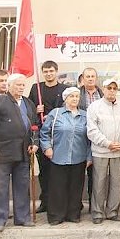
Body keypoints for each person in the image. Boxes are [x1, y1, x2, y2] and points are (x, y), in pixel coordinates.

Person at [39, 87, 91, 225]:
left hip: (78, 157)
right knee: (58, 187)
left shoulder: (85, 115)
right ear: (65, 98)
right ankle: (56, 216)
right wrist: (47, 148)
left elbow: (89, 139)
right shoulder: (55, 114)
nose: (74, 99)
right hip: (58, 156)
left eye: (77, 96)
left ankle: (73, 214)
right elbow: (44, 133)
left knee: (76, 187)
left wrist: (89, 157)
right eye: (71, 96)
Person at [0, 74, 39, 232]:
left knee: (22, 186)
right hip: (3, 152)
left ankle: (22, 218)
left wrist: (35, 144)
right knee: (0, 187)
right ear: (10, 85)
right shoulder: (0, 101)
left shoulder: (29, 103)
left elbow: (35, 126)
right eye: (18, 85)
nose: (21, 87)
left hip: (24, 152)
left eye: (23, 85)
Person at [87, 78, 120, 224]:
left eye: (114, 88)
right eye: (109, 88)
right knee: (99, 183)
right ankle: (98, 213)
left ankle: (112, 211)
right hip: (101, 151)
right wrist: (107, 143)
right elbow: (92, 130)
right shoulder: (94, 107)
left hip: (118, 152)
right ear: (103, 89)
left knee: (116, 183)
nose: (111, 91)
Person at [29, 60, 68, 214]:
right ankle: (45, 201)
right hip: (43, 135)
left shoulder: (64, 89)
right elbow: (29, 108)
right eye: (45, 71)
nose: (48, 74)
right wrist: (35, 108)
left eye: (51, 71)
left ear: (56, 71)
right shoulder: (36, 88)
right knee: (44, 171)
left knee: (58, 171)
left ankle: (58, 202)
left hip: (59, 135)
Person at [78, 67, 103, 212]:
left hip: (98, 137)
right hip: (81, 136)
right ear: (83, 78)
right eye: (87, 76)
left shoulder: (102, 93)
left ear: (96, 78)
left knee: (95, 174)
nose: (90, 79)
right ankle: (77, 204)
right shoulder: (77, 94)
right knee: (79, 171)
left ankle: (94, 205)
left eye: (93, 76)